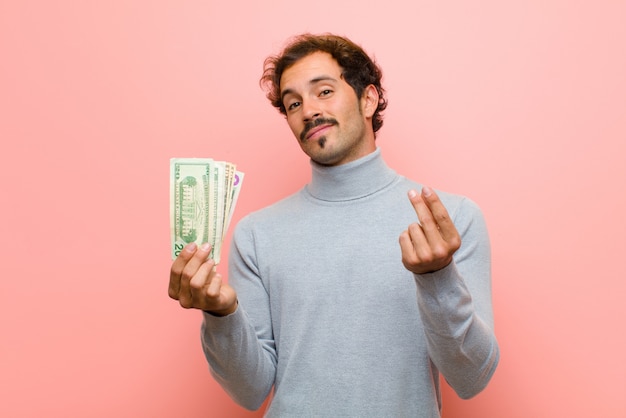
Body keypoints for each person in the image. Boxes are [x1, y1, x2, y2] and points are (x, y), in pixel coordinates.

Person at [169, 33, 499, 417]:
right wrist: (222, 316)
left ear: (368, 99)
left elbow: (472, 377)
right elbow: (250, 392)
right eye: (293, 103)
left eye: (323, 92)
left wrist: (438, 277)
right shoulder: (256, 235)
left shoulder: (449, 221)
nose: (308, 110)